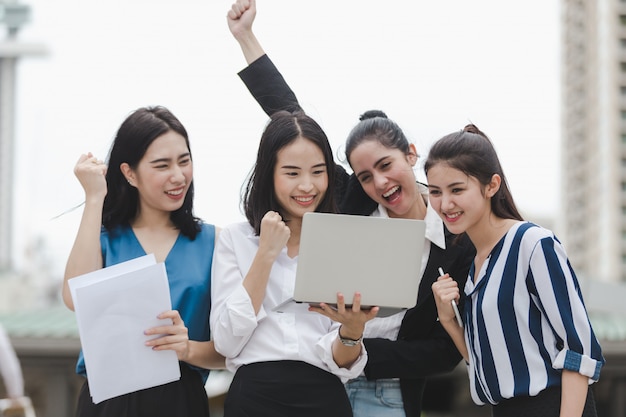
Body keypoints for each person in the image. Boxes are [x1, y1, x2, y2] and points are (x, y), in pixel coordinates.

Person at [225, 2, 475, 417]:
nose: (379, 183)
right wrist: (246, 37)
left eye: (385, 165)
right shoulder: (352, 205)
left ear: (411, 154)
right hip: (320, 383)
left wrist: (356, 346)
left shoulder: (457, 239)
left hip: (386, 392)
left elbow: (445, 351)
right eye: (364, 176)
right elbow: (288, 114)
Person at [209, 110, 379, 417]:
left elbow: (342, 361)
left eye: (318, 171)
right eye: (292, 173)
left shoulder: (343, 242)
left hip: (324, 397)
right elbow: (226, 341)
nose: (307, 186)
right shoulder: (235, 239)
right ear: (268, 174)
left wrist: (352, 332)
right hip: (253, 398)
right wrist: (265, 254)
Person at [427, 124, 604, 417]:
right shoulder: (476, 265)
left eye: (457, 189)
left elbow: (580, 349)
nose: (445, 203)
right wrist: (449, 321)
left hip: (554, 406)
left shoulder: (532, 244)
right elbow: (490, 363)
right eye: (435, 192)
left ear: (491, 186)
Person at [61, 106, 224, 417]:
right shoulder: (106, 238)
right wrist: (94, 197)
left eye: (184, 161)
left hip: (182, 399)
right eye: (162, 165)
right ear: (129, 173)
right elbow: (73, 297)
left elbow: (231, 351)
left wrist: (188, 347)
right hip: (108, 400)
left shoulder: (215, 242)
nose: (178, 176)